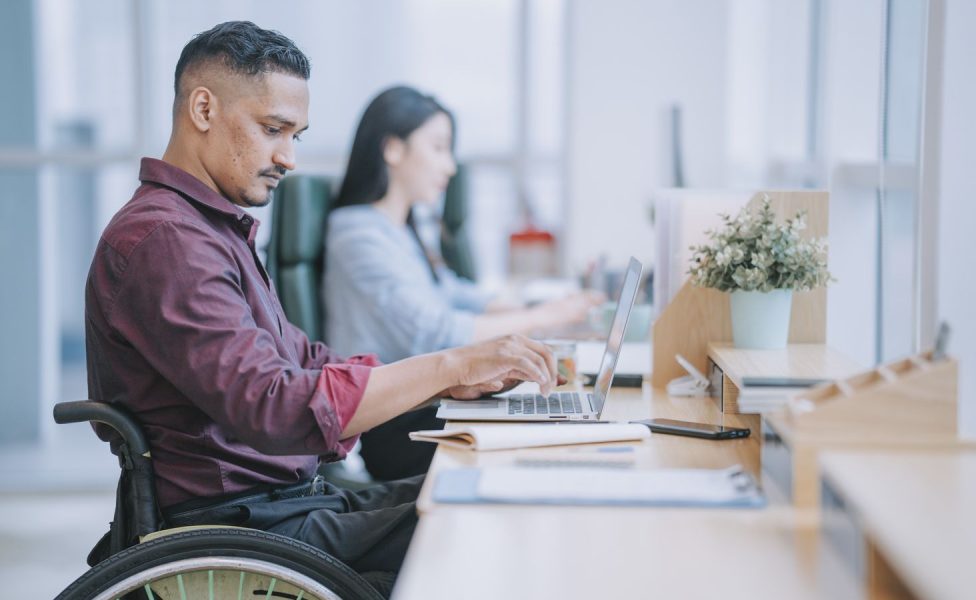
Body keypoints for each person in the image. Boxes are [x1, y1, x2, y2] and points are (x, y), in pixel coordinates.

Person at [84, 21, 557, 595]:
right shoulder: (167, 242)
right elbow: (274, 406)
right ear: (203, 109)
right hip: (241, 528)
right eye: (272, 130)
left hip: (284, 506)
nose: (288, 157)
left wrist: (446, 384)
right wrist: (450, 366)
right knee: (483, 522)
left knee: (483, 488)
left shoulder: (208, 230)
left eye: (296, 136)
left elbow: (300, 357)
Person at [323, 86, 602, 479]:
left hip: (428, 401)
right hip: (396, 424)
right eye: (438, 148)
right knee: (541, 446)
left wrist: (535, 313)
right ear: (393, 149)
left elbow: (450, 292)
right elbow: (435, 332)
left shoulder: (404, 227)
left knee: (553, 425)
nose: (450, 167)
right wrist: (545, 315)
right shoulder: (357, 234)